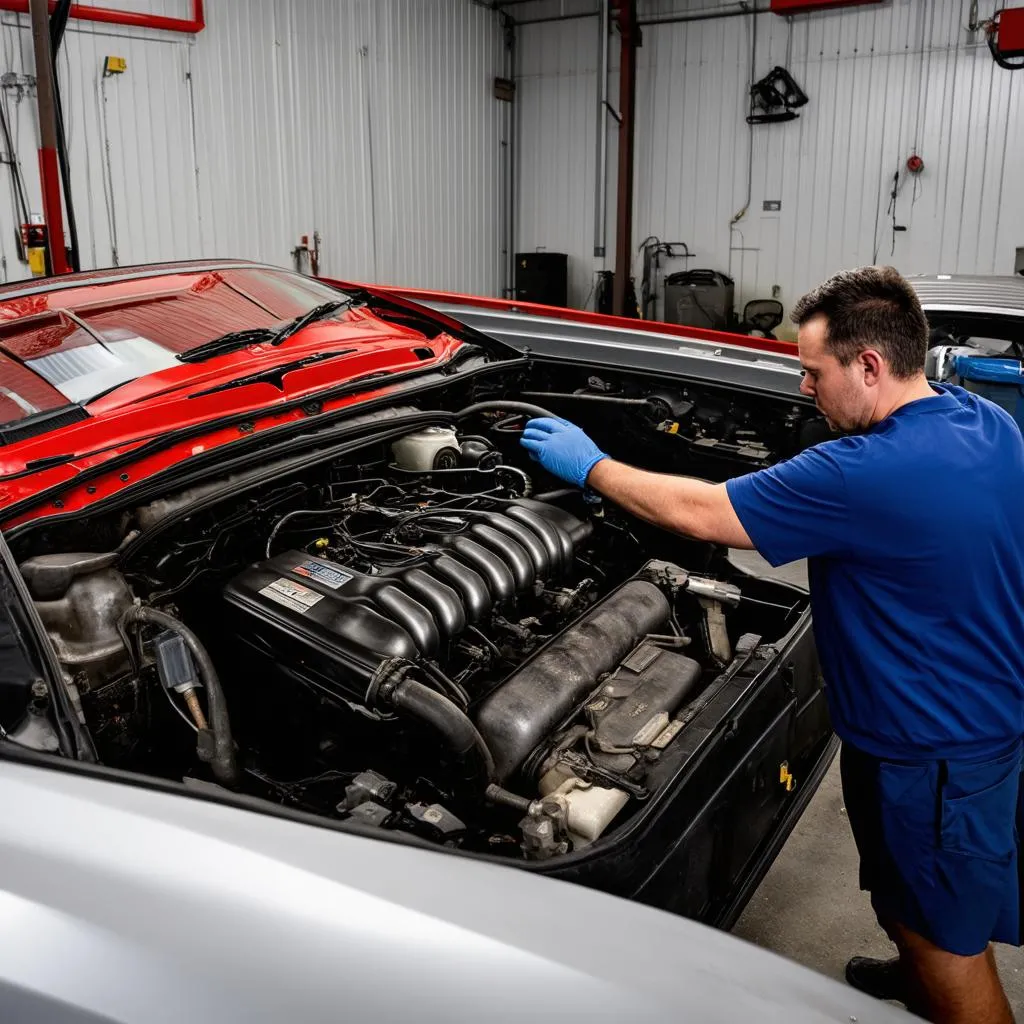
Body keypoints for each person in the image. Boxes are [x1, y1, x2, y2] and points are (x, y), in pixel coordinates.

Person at [519, 265, 1024, 1024]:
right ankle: (913, 965)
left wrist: (591, 464)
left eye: (812, 372)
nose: (802, 390)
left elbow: (705, 514)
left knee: (946, 940)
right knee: (910, 895)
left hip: (934, 751)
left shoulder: (865, 472)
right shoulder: (983, 421)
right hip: (947, 720)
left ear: (870, 365)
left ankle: (935, 977)